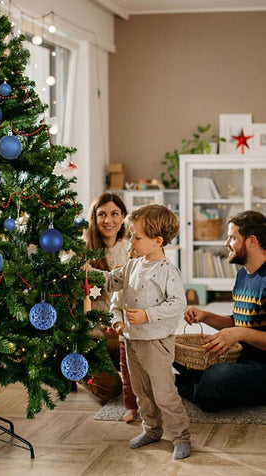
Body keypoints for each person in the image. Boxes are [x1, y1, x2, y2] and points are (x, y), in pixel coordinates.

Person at [89, 203, 191, 460]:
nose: (130, 240)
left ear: (157, 241)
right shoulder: (133, 265)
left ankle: (181, 436)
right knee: (141, 391)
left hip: (156, 343)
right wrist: (91, 274)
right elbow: (112, 281)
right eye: (131, 234)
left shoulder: (167, 270)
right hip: (132, 342)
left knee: (164, 394)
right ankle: (152, 429)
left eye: (136, 237)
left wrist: (148, 315)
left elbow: (177, 303)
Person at [175, 210, 266, 412]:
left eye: (233, 237)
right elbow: (239, 321)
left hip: (261, 367)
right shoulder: (243, 275)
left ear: (252, 241)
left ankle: (182, 386)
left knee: (216, 378)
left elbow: (241, 330)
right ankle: (196, 383)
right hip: (241, 357)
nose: (226, 243)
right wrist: (206, 316)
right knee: (172, 351)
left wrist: (240, 334)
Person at [82, 192, 137, 422]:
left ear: (123, 217)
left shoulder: (131, 250)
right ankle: (78, 370)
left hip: (120, 331)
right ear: (93, 218)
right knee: (109, 389)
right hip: (92, 334)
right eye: (102, 214)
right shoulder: (82, 252)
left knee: (145, 378)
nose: (108, 220)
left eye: (115, 214)